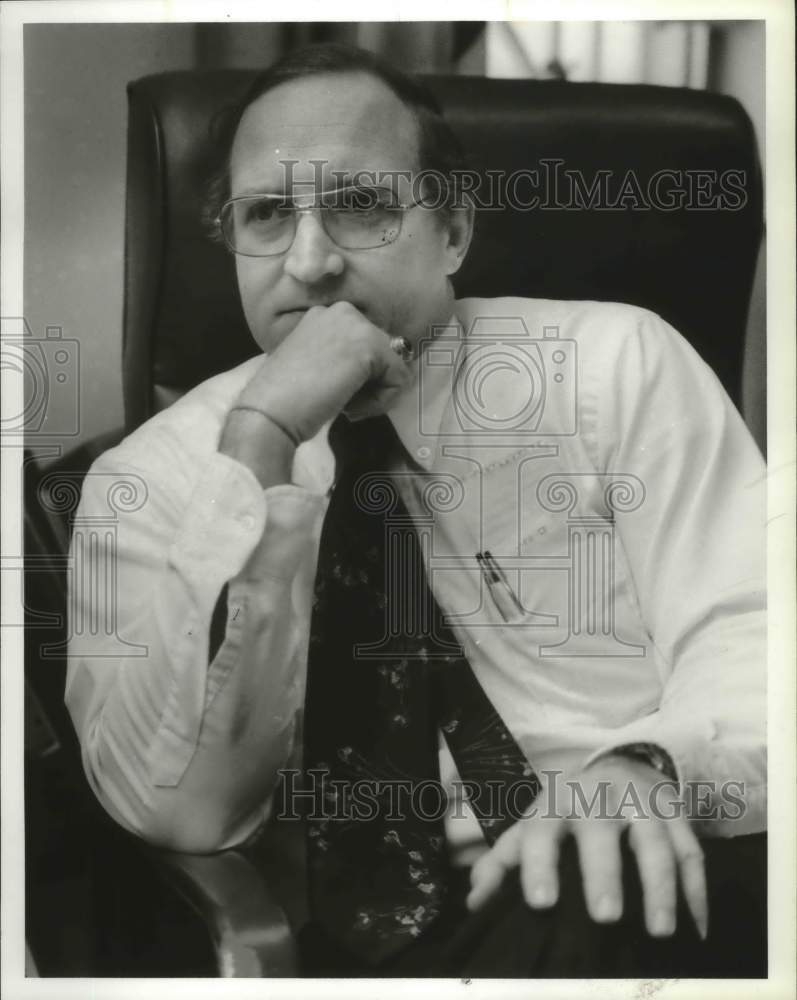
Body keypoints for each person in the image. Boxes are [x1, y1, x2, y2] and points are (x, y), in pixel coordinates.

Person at [65, 43, 766, 977]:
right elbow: (174, 808)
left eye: (360, 205)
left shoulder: (614, 366)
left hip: (652, 850)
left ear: (454, 231)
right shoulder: (146, 480)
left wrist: (646, 769)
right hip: (377, 937)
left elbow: (752, 627)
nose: (310, 264)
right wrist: (259, 453)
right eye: (268, 215)